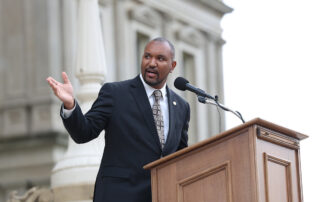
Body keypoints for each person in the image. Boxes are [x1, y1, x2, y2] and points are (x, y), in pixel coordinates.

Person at [46, 37, 190, 202]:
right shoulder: (115, 93)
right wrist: (70, 104)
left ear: (172, 66)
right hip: (119, 194)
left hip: (162, 196)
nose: (151, 63)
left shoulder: (181, 106)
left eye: (160, 58)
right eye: (147, 56)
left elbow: (180, 157)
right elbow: (84, 132)